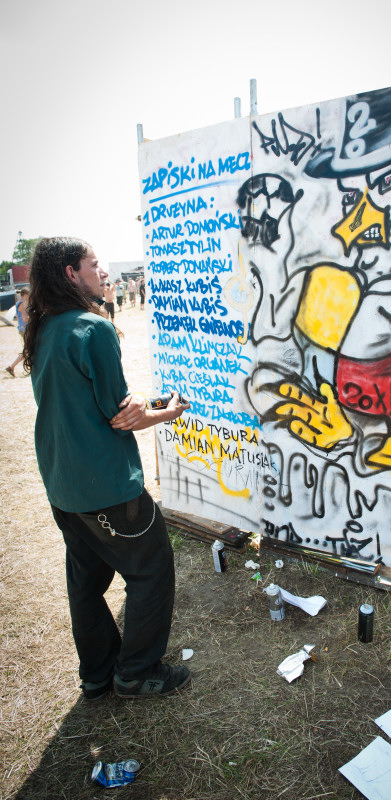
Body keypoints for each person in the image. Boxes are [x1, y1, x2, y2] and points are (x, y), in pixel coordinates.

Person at [23, 236, 191, 701]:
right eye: (94, 265)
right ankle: (137, 672)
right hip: (108, 488)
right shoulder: (92, 329)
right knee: (151, 568)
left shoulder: (44, 327)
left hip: (63, 485)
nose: (105, 273)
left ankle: (96, 675)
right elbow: (120, 416)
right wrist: (167, 412)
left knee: (86, 582)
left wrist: (138, 401)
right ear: (70, 274)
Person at [5, 287, 29, 377]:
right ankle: (12, 367)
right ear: (25, 294)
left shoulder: (18, 303)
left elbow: (17, 316)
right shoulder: (22, 304)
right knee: (28, 350)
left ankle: (12, 367)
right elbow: (25, 318)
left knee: (28, 350)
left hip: (21, 329)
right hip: (25, 329)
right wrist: (35, 318)